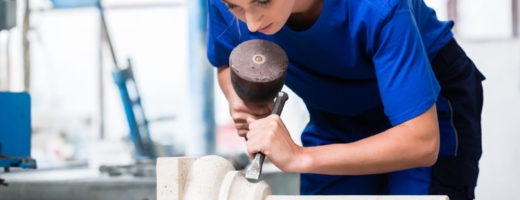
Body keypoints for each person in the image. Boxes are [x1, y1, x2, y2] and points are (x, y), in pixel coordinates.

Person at [206, 0, 485, 199]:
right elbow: (225, 59)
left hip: (426, 103)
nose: (251, 22)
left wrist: (300, 156)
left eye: (263, 2)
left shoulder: (380, 6)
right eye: (236, 8)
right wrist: (238, 98)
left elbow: (421, 143)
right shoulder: (225, 2)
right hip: (335, 110)